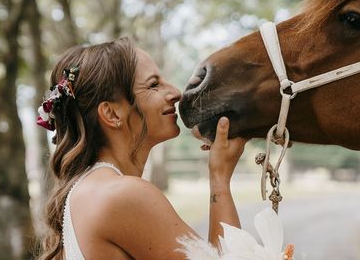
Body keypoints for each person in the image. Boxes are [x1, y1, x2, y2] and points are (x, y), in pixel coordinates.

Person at [38, 37, 246, 260]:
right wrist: (220, 178)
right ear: (112, 114)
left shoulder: (87, 190)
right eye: (154, 85)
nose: (176, 92)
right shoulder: (122, 195)